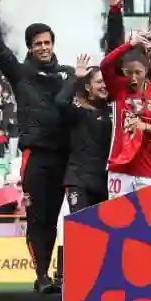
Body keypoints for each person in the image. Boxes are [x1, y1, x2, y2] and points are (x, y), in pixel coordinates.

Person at [0, 0, 71, 293]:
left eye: (48, 42)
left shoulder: (67, 75)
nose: (44, 48)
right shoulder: (20, 74)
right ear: (30, 48)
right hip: (36, 157)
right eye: (38, 44)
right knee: (39, 219)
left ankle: (63, 273)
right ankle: (42, 275)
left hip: (65, 157)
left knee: (60, 219)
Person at [100, 31, 151, 196]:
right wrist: (130, 45)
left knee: (149, 220)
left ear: (146, 70)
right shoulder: (118, 88)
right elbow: (105, 64)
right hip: (119, 168)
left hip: (147, 170)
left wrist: (144, 126)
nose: (133, 77)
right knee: (117, 219)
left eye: (138, 72)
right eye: (128, 72)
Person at [56, 55, 112, 213]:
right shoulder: (78, 110)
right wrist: (75, 77)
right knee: (80, 229)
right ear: (88, 87)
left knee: (102, 234)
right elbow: (60, 102)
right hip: (79, 181)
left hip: (105, 182)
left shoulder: (114, 111)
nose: (104, 85)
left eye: (106, 81)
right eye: (99, 82)